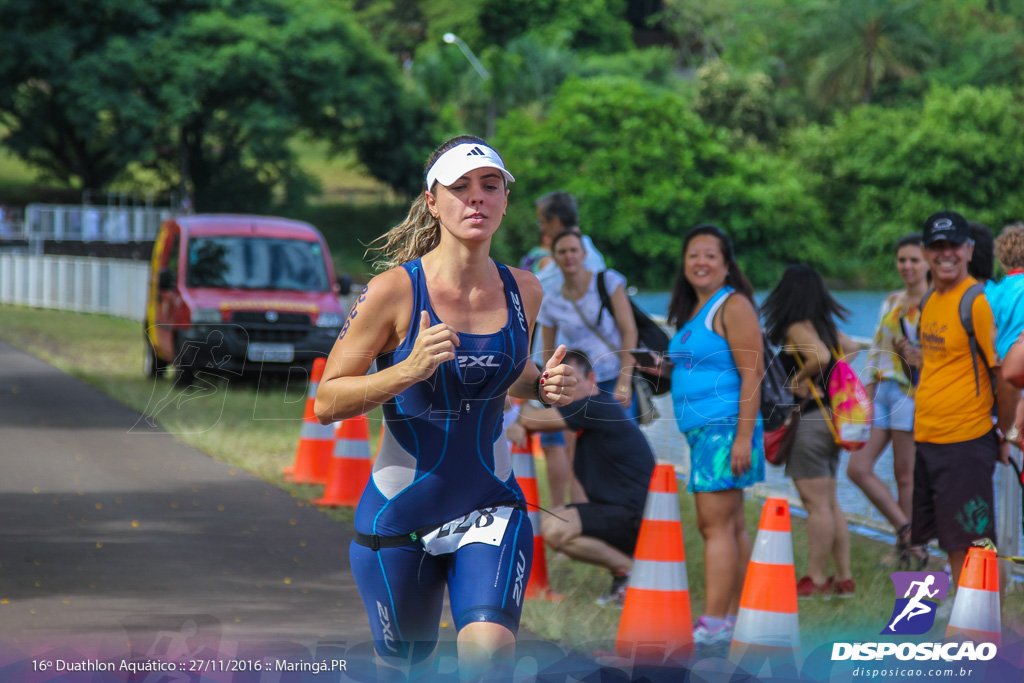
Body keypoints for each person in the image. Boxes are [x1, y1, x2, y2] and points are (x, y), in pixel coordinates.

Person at [313, 135, 577, 681]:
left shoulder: (523, 289)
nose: (476, 198)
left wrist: (546, 385)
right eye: (460, 187)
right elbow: (327, 400)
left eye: (490, 186)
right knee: (405, 670)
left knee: (488, 658)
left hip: (490, 506)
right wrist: (407, 370)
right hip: (400, 515)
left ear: (506, 199)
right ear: (433, 201)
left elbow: (505, 374)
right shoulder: (394, 291)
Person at [893, 210, 1014, 590]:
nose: (946, 254)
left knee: (974, 541)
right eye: (937, 247)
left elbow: (1004, 373)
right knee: (949, 539)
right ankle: (965, 618)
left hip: (966, 438)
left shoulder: (976, 302)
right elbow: (939, 362)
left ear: (969, 249)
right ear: (927, 253)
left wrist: (1004, 432)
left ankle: (981, 627)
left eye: (954, 246)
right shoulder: (929, 300)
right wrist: (912, 357)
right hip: (929, 436)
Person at [665, 224, 765, 648]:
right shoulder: (698, 310)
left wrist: (743, 438)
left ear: (726, 265)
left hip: (724, 431)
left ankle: (714, 622)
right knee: (731, 525)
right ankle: (739, 613)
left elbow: (752, 373)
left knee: (714, 526)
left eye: (710, 255)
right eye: (693, 255)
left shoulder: (733, 305)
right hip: (706, 432)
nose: (700, 262)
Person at [514, 349, 655, 608]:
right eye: (556, 381)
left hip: (635, 517)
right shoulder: (588, 417)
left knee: (554, 527)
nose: (563, 388)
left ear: (592, 378)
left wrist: (510, 410)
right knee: (558, 518)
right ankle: (625, 576)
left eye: (570, 379)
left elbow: (532, 419)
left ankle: (632, 573)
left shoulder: (596, 406)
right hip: (623, 513)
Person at [763, 264, 860, 599]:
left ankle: (815, 578)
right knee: (830, 503)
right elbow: (851, 348)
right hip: (831, 421)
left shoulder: (797, 328)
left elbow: (818, 356)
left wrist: (799, 379)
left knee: (816, 504)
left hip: (811, 421)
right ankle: (843, 578)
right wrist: (830, 378)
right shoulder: (823, 326)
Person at [847, 234, 929, 570]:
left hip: (911, 395)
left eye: (914, 260)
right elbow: (878, 347)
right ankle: (908, 535)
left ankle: (907, 549)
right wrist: (866, 386)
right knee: (858, 468)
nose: (907, 266)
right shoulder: (891, 301)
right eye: (902, 260)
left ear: (927, 262)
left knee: (904, 474)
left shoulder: (934, 302)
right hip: (882, 393)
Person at [530, 191, 607, 507]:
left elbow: (534, 298)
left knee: (556, 443)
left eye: (542, 223)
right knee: (575, 445)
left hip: (563, 367)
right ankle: (574, 513)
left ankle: (562, 512)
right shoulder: (593, 255)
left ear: (556, 222)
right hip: (586, 368)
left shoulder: (560, 263)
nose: (542, 232)